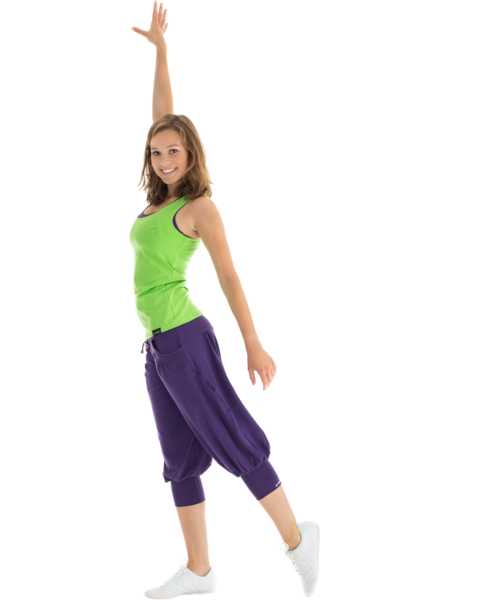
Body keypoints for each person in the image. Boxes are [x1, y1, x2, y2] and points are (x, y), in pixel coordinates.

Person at [131, 3, 319, 598]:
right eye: (157, 152)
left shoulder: (198, 208)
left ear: (192, 155)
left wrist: (254, 346)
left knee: (234, 439)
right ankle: (199, 570)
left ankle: (299, 540)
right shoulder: (158, 200)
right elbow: (163, 116)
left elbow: (231, 280)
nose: (164, 160)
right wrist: (162, 53)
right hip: (157, 348)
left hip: (187, 341)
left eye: (174, 152)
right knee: (179, 460)